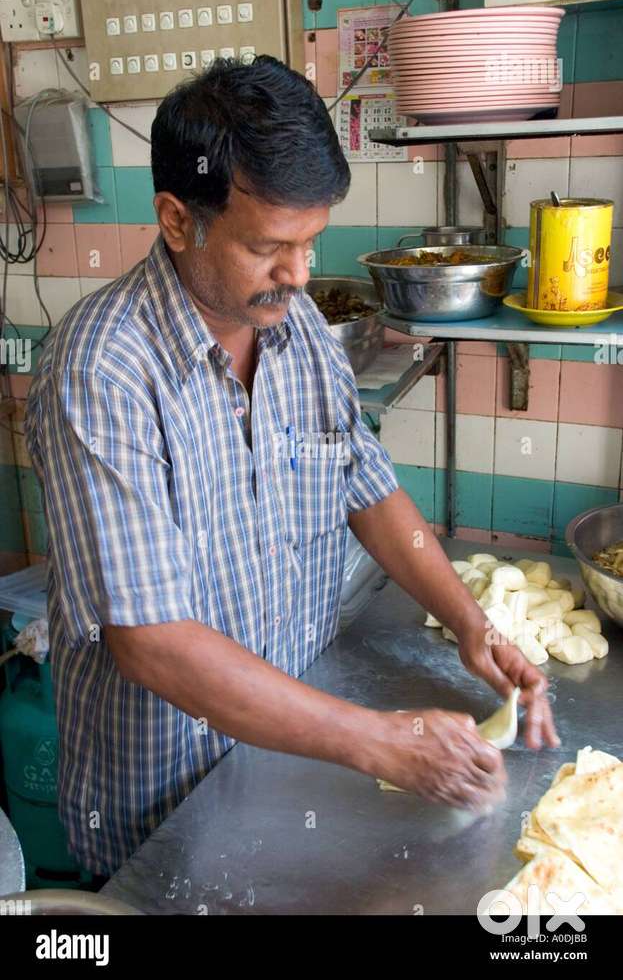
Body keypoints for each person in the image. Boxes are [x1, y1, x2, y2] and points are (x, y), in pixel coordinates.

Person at [25, 56, 558, 878]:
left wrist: (470, 625)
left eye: (310, 243)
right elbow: (152, 642)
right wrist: (378, 739)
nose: (299, 274)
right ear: (177, 219)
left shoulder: (294, 323)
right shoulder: (101, 371)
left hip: (292, 751)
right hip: (168, 801)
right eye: (270, 246)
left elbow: (364, 483)